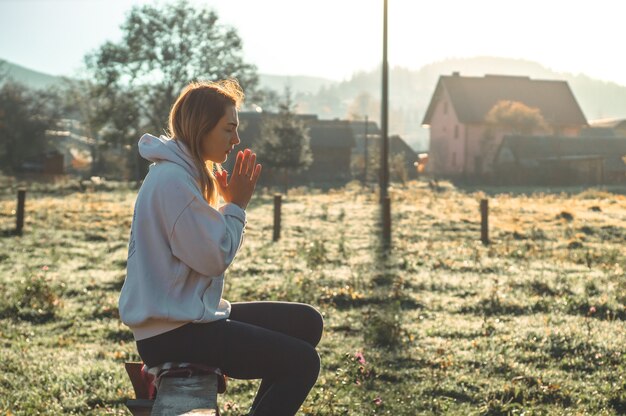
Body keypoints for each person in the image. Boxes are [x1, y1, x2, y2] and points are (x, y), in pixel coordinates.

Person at [118, 79, 323, 416]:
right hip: (172, 332)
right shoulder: (173, 181)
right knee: (302, 362)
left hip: (185, 319)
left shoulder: (181, 175)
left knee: (306, 323)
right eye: (229, 128)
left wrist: (228, 205)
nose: (236, 139)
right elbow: (213, 258)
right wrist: (236, 206)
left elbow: (202, 247)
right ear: (202, 127)